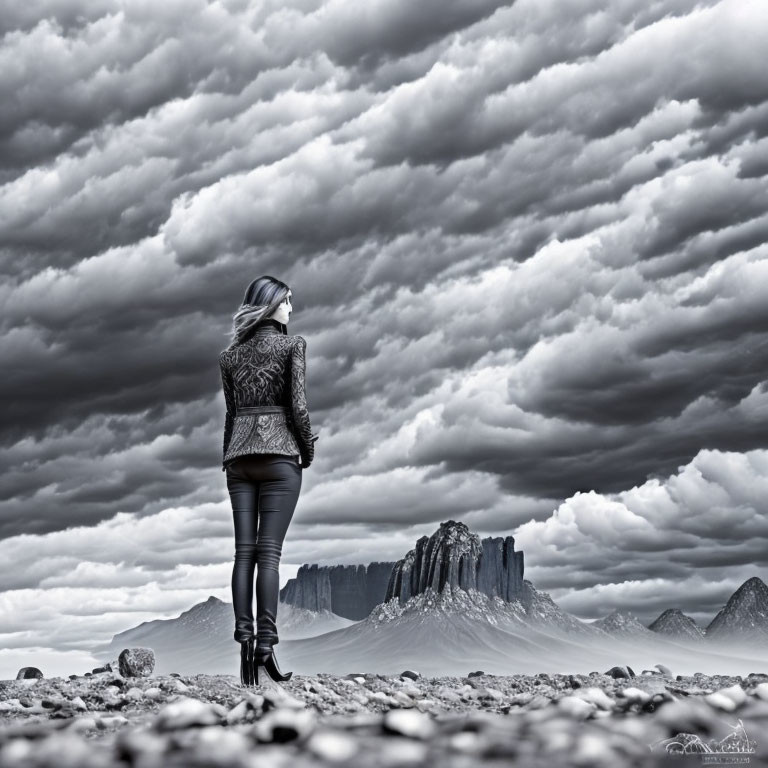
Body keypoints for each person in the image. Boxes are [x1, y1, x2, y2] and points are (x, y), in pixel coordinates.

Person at [219, 275, 317, 687]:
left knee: (245, 554)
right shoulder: (294, 346)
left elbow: (230, 414)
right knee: (269, 554)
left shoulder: (229, 356)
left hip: (238, 459)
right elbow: (298, 407)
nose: (291, 310)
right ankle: (266, 649)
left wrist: (229, 456)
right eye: (288, 302)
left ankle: (244, 649)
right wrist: (307, 450)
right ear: (272, 303)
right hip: (279, 458)